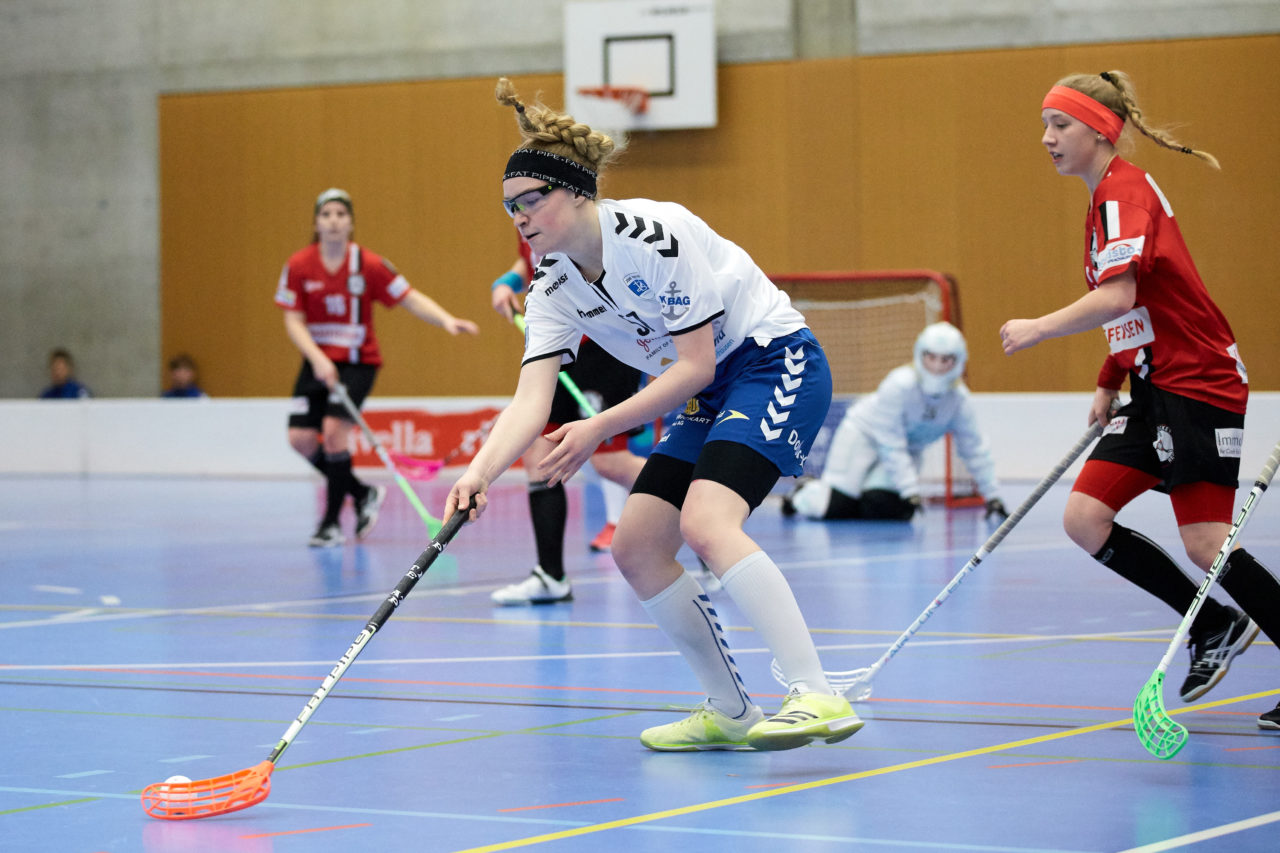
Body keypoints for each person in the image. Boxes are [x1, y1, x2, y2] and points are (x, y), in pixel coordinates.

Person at [445, 78, 864, 752]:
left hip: (770, 361)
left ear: (576, 190)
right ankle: (729, 709)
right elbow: (532, 397)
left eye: (531, 200)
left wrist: (597, 426)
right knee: (636, 547)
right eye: (508, 208)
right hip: (709, 392)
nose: (519, 218)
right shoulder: (552, 286)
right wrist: (479, 472)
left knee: (706, 522)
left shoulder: (652, 234)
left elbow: (696, 364)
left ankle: (817, 691)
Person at [1000, 70, 1280, 729]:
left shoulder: (1123, 193)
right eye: (1044, 124)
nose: (1046, 138)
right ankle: (1213, 621)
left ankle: (1222, 617)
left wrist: (1039, 327)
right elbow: (1143, 308)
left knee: (1207, 542)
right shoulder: (1106, 199)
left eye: (1059, 124)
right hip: (1154, 383)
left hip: (1199, 382)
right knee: (1084, 517)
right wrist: (1108, 375)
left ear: (1101, 129)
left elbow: (1119, 296)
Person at [275, 187, 479, 548]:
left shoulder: (368, 265)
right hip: (317, 361)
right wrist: (319, 358)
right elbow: (293, 320)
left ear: (350, 222)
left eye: (341, 214)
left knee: (334, 431)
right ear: (316, 222)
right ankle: (362, 492)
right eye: (326, 215)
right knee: (301, 440)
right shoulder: (298, 265)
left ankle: (330, 523)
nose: (334, 221)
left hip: (357, 364)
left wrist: (446, 320)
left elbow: (408, 297)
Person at [488, 239, 648, 604]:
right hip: (558, 344)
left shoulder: (575, 215)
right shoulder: (525, 215)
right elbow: (529, 260)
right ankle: (550, 575)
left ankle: (700, 513)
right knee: (538, 455)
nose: (519, 213)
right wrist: (508, 283)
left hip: (602, 346)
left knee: (610, 461)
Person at [783, 322, 1008, 522]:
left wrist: (993, 496)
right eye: (931, 357)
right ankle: (803, 492)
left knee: (886, 507)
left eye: (946, 359)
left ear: (958, 361)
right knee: (835, 507)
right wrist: (910, 488)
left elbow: (974, 448)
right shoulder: (899, 385)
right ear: (920, 355)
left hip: (906, 451)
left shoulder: (959, 399)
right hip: (864, 436)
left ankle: (856, 497)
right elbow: (890, 442)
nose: (938, 366)